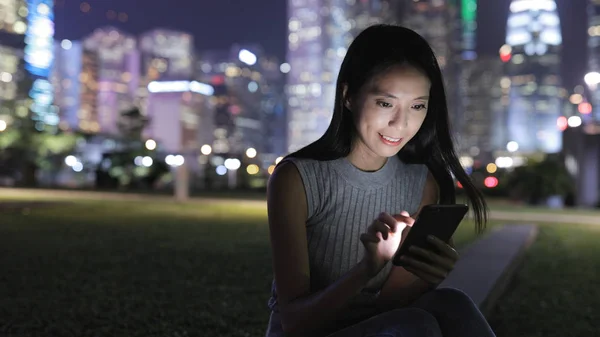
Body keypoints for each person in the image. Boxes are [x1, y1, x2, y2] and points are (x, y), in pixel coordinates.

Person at [265, 24, 495, 337]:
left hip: (384, 327)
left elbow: (387, 306)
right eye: (385, 103)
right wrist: (367, 269)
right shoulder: (298, 178)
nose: (401, 123)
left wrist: (426, 276)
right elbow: (295, 323)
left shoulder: (422, 182)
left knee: (452, 303)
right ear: (348, 95)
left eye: (417, 106)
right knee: (417, 324)